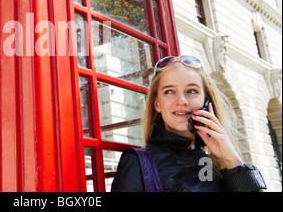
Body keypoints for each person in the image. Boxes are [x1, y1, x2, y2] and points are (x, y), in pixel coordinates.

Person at [111, 55, 267, 192]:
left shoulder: (219, 165)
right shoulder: (138, 164)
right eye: (169, 91)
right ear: (157, 104)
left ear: (206, 101)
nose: (181, 101)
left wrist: (233, 160)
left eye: (191, 91)